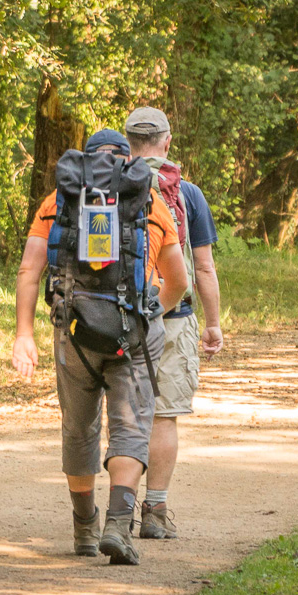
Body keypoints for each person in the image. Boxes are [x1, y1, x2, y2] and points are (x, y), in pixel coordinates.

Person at [12, 128, 189, 565]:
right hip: (133, 332)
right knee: (131, 428)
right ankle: (117, 524)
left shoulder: (58, 202)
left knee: (79, 427)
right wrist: (151, 314)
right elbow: (180, 280)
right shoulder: (148, 199)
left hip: (73, 330)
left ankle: (84, 526)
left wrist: (24, 334)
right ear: (125, 159)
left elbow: (28, 271)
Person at [122, 107, 224, 539]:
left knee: (124, 418)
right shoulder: (189, 194)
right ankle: (155, 511)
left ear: (129, 144)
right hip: (173, 316)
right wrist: (213, 324)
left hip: (118, 317)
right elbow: (202, 268)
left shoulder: (106, 187)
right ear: (167, 142)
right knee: (164, 418)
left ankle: (117, 510)